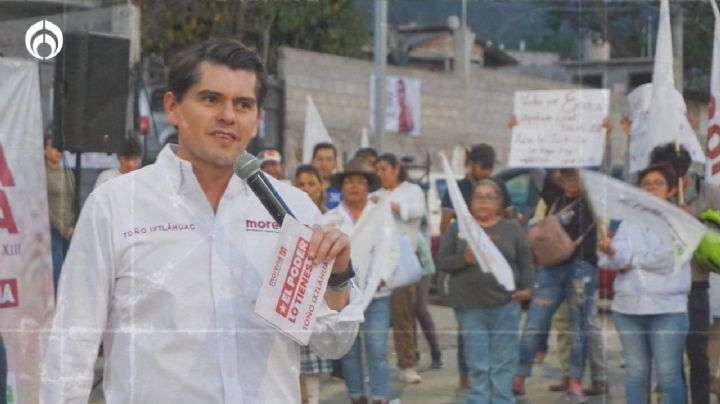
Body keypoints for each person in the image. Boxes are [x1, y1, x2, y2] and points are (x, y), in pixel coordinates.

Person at [40, 38, 363, 403]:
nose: (228, 115)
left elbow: (332, 342)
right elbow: (72, 342)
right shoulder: (115, 206)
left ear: (257, 120)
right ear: (173, 107)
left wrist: (338, 276)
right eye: (211, 99)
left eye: (243, 104)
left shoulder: (293, 209)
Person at [597, 163, 691, 404]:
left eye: (658, 184)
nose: (650, 188)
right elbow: (609, 260)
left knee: (668, 375)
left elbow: (670, 258)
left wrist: (629, 260)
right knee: (635, 373)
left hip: (667, 309)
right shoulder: (629, 222)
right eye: (646, 184)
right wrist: (611, 252)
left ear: (671, 190)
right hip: (628, 308)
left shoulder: (681, 220)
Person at [437, 180, 534, 404]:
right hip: (469, 307)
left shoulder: (512, 229)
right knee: (478, 363)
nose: (483, 201)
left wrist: (527, 288)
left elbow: (526, 262)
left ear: (499, 203)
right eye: (478, 196)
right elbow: (442, 262)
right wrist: (465, 259)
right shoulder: (458, 228)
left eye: (489, 197)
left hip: (505, 306)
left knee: (504, 363)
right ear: (470, 202)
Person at [512, 168, 598, 403]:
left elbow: (604, 166)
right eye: (567, 175)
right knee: (534, 324)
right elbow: (534, 169)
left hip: (582, 268)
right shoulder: (555, 196)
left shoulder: (595, 199)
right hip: (551, 269)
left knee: (578, 328)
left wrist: (608, 138)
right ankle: (519, 377)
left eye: (576, 175)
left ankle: (575, 380)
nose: (571, 180)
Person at [649, 142, 720, 404]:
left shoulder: (711, 193)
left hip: (696, 284)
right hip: (664, 286)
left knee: (698, 353)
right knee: (670, 356)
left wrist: (694, 223)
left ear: (685, 171)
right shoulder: (658, 194)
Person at [324, 157, 399, 404]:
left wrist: (382, 278)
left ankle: (380, 396)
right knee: (349, 349)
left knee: (377, 348)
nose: (354, 186)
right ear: (342, 186)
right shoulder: (331, 218)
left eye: (360, 181)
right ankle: (356, 395)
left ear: (368, 186)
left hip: (376, 294)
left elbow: (392, 250)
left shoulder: (379, 213)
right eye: (349, 181)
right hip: (344, 295)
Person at [372, 153, 430, 382]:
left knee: (402, 314)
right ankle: (376, 366)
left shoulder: (411, 191)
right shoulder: (374, 194)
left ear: (396, 169)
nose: (380, 173)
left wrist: (388, 204)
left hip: (403, 261)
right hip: (377, 261)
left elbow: (416, 212)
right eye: (377, 169)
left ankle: (407, 364)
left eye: (384, 168)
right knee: (374, 316)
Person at [293, 164, 331, 404]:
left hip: (318, 302)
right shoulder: (287, 216)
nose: (306, 189)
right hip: (294, 302)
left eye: (311, 184)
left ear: (321, 187)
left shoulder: (331, 219)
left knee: (312, 381)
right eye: (301, 184)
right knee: (292, 373)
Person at [440, 143, 513, 234]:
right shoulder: (456, 190)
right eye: (483, 168)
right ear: (472, 164)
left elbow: (511, 219)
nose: (487, 172)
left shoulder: (499, 187)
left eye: (490, 168)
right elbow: (445, 227)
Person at [44, 136, 75, 295]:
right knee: (57, 270)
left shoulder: (67, 171)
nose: (58, 152)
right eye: (54, 147)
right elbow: (46, 206)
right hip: (52, 229)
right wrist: (64, 228)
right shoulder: (42, 174)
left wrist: (73, 226)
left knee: (71, 270)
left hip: (69, 230)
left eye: (60, 149)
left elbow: (71, 201)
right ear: (45, 149)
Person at [312, 142, 342, 210]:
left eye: (329, 160)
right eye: (320, 159)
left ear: (335, 163)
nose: (324, 163)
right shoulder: (305, 189)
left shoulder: (342, 189)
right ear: (313, 161)